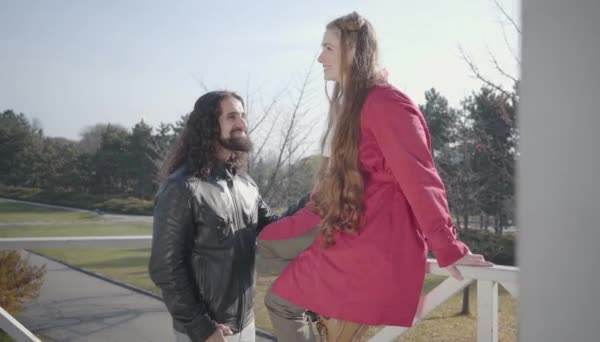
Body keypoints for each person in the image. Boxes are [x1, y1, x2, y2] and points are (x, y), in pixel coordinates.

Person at [258, 12, 493, 341]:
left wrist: (448, 246)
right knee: (248, 260)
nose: (319, 57)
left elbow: (420, 180)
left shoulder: (386, 104)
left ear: (352, 51)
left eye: (328, 48)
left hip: (369, 247)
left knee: (274, 293)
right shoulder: (353, 106)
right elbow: (332, 188)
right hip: (343, 232)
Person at [149, 90, 286, 342]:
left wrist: (314, 201)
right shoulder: (182, 187)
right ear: (209, 126)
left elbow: (277, 229)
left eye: (243, 116)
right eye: (232, 117)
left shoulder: (246, 184)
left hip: (246, 325)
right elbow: (165, 268)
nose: (242, 123)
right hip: (210, 332)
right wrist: (201, 327)